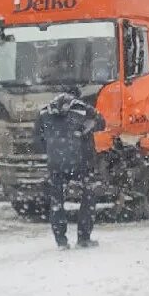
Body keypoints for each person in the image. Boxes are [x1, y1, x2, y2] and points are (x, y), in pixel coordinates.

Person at [33, 88, 106, 249]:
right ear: (76, 95)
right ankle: (83, 238)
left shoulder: (44, 112)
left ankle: (61, 241)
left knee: (56, 201)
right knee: (88, 196)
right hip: (81, 163)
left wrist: (52, 150)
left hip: (55, 163)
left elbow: (37, 140)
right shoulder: (82, 109)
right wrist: (85, 132)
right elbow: (102, 122)